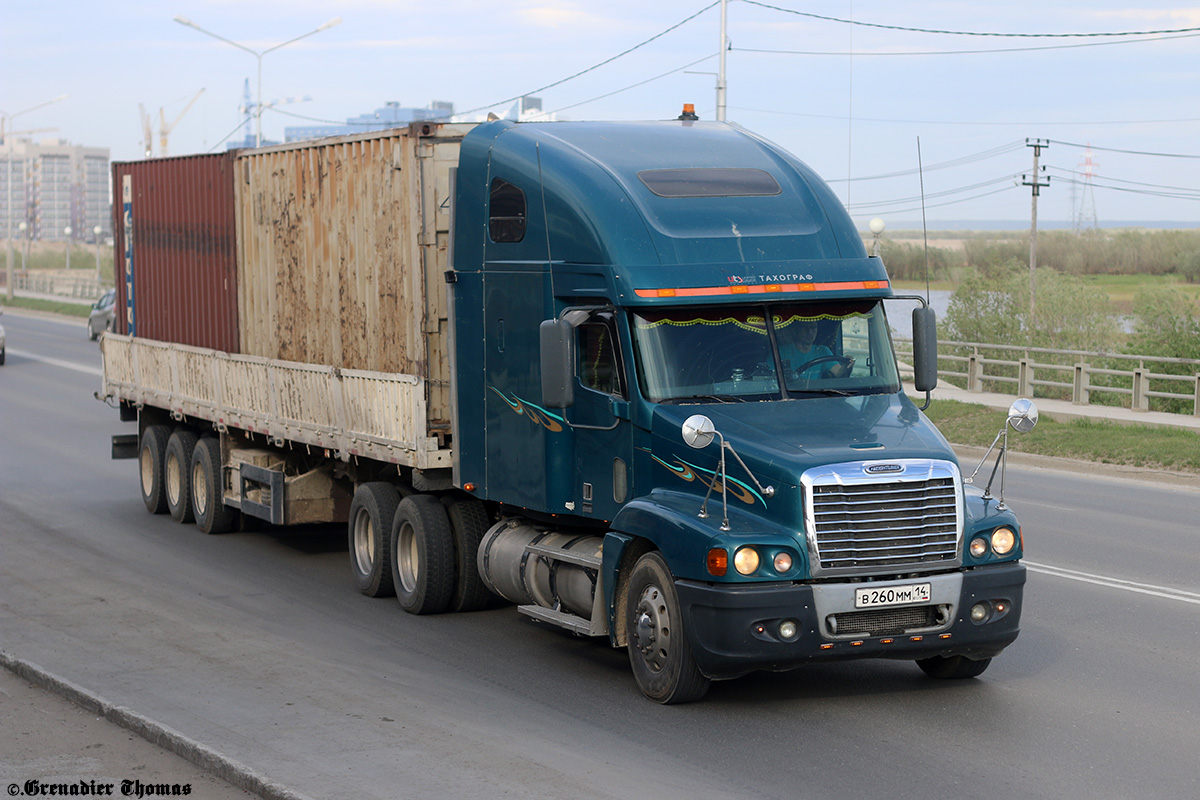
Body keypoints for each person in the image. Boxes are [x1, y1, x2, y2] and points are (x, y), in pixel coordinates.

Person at [778, 319, 853, 379]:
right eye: (805, 327)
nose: (809, 332)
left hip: (817, 394)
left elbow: (839, 373)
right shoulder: (781, 352)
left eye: (813, 327)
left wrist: (847, 366)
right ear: (795, 330)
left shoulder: (822, 351)